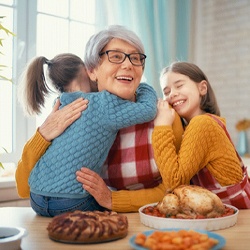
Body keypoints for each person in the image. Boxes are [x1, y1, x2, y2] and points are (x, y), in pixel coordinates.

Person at [15, 25, 184, 213]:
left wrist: (113, 199)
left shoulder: (165, 117)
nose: (128, 65)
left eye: (135, 58)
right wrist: (43, 134)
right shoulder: (67, 115)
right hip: (82, 221)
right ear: (92, 71)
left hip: (144, 221)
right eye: (116, 56)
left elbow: (175, 188)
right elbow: (23, 188)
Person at [152, 61, 250, 209]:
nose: (172, 94)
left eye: (179, 85)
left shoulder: (202, 124)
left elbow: (174, 183)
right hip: (220, 214)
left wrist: (161, 125)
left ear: (202, 88)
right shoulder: (198, 126)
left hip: (240, 216)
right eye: (166, 92)